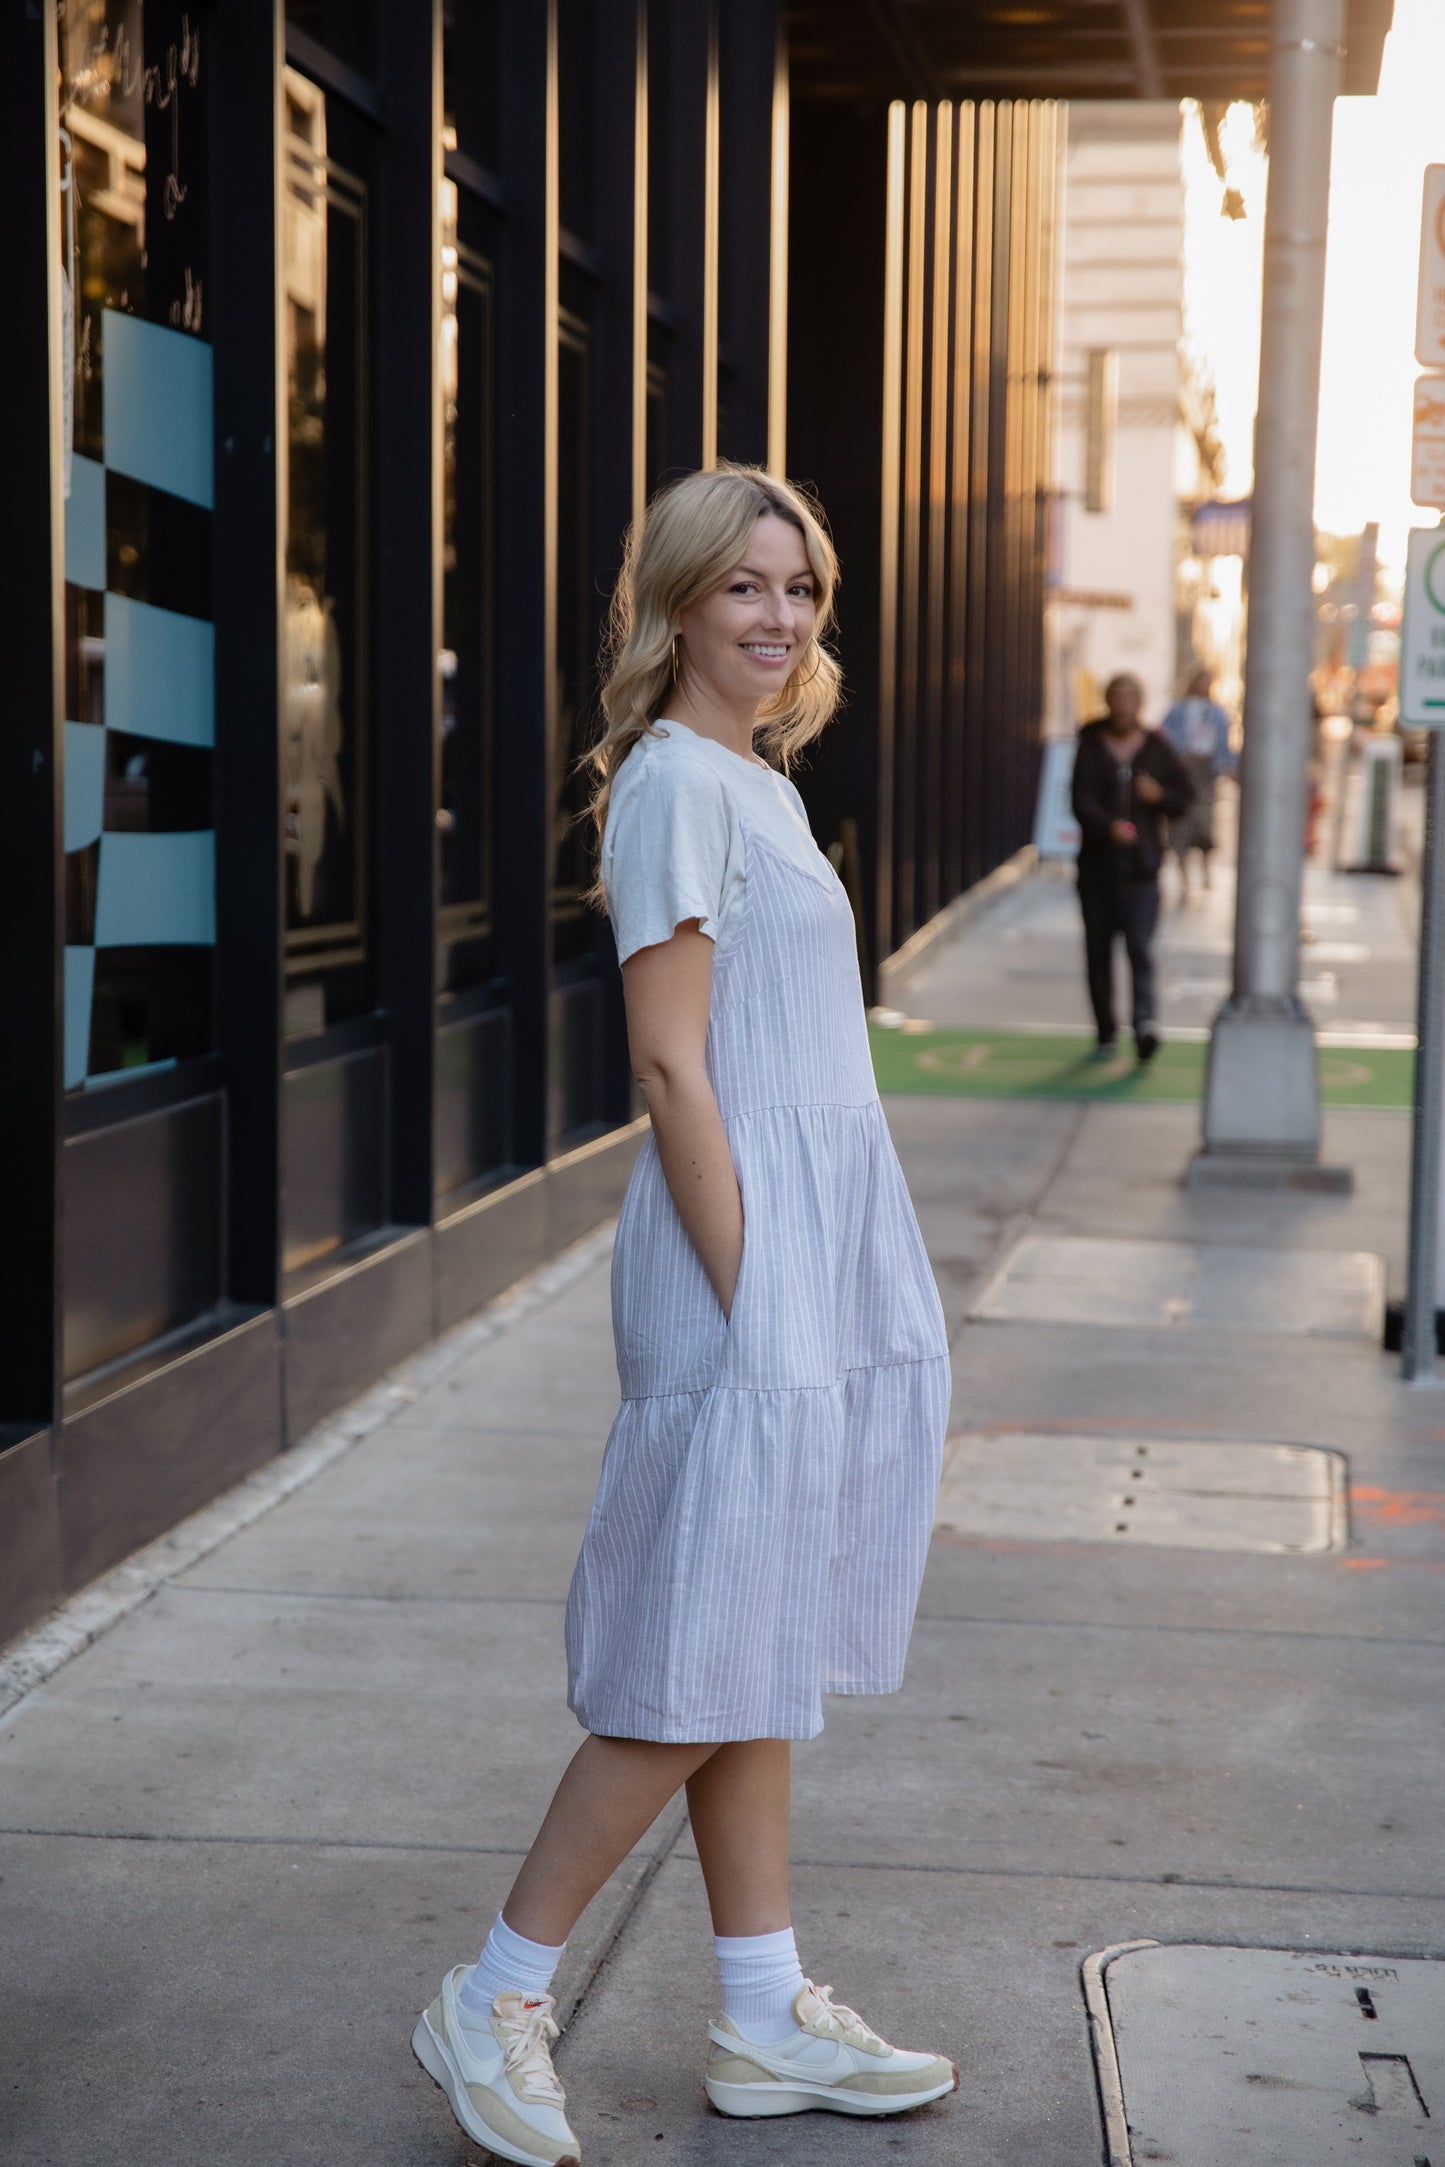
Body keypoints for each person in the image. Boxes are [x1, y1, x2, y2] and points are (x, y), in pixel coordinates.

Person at [411, 465, 957, 2167]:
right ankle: (493, 1989)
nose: (782, 617)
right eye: (747, 588)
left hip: (808, 1234)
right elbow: (670, 1063)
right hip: (743, 1256)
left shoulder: (761, 783)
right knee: (693, 1644)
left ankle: (761, 2002)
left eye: (802, 589)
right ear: (676, 604)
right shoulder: (669, 786)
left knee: (757, 1637)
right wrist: (763, 1288)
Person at [1071, 672, 1194, 1063]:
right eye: (1117, 698)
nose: (1123, 705)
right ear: (1108, 702)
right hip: (1097, 869)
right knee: (1098, 953)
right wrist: (1107, 826)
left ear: (1139, 703)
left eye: (1130, 698)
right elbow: (1079, 799)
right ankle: (1106, 1029)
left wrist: (1157, 796)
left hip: (1141, 869)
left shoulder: (1156, 746)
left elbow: (1183, 795)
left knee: (1141, 948)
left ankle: (1145, 1024)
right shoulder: (1090, 744)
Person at [1160, 666, 1234, 898]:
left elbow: (1223, 743)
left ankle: (1205, 870)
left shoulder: (1216, 712)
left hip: (1205, 771)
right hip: (1183, 769)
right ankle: (1184, 876)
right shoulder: (1178, 710)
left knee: (1204, 821)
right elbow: (1166, 735)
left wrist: (1227, 766)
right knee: (1180, 821)